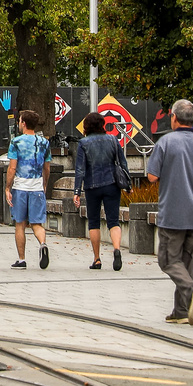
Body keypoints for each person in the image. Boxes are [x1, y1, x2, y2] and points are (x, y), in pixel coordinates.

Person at [148, 100, 193, 325]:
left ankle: (192, 290)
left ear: (173, 117)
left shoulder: (165, 142)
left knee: (168, 260)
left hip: (172, 214)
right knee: (189, 265)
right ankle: (180, 311)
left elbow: (152, 177)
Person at [74, 111, 130, 271]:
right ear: (102, 125)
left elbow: (80, 169)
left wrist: (77, 191)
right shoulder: (113, 140)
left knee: (93, 222)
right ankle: (117, 249)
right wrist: (128, 185)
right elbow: (123, 163)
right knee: (113, 221)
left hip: (92, 186)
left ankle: (97, 259)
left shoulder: (83, 143)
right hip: (112, 184)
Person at [6, 109, 51, 270]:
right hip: (37, 186)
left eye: (19, 121)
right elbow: (47, 167)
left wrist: (7, 187)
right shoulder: (44, 143)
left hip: (20, 186)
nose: (18, 123)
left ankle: (21, 259)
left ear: (23, 123)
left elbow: (12, 168)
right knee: (37, 223)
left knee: (20, 223)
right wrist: (44, 184)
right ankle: (43, 243)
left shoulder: (16, 142)